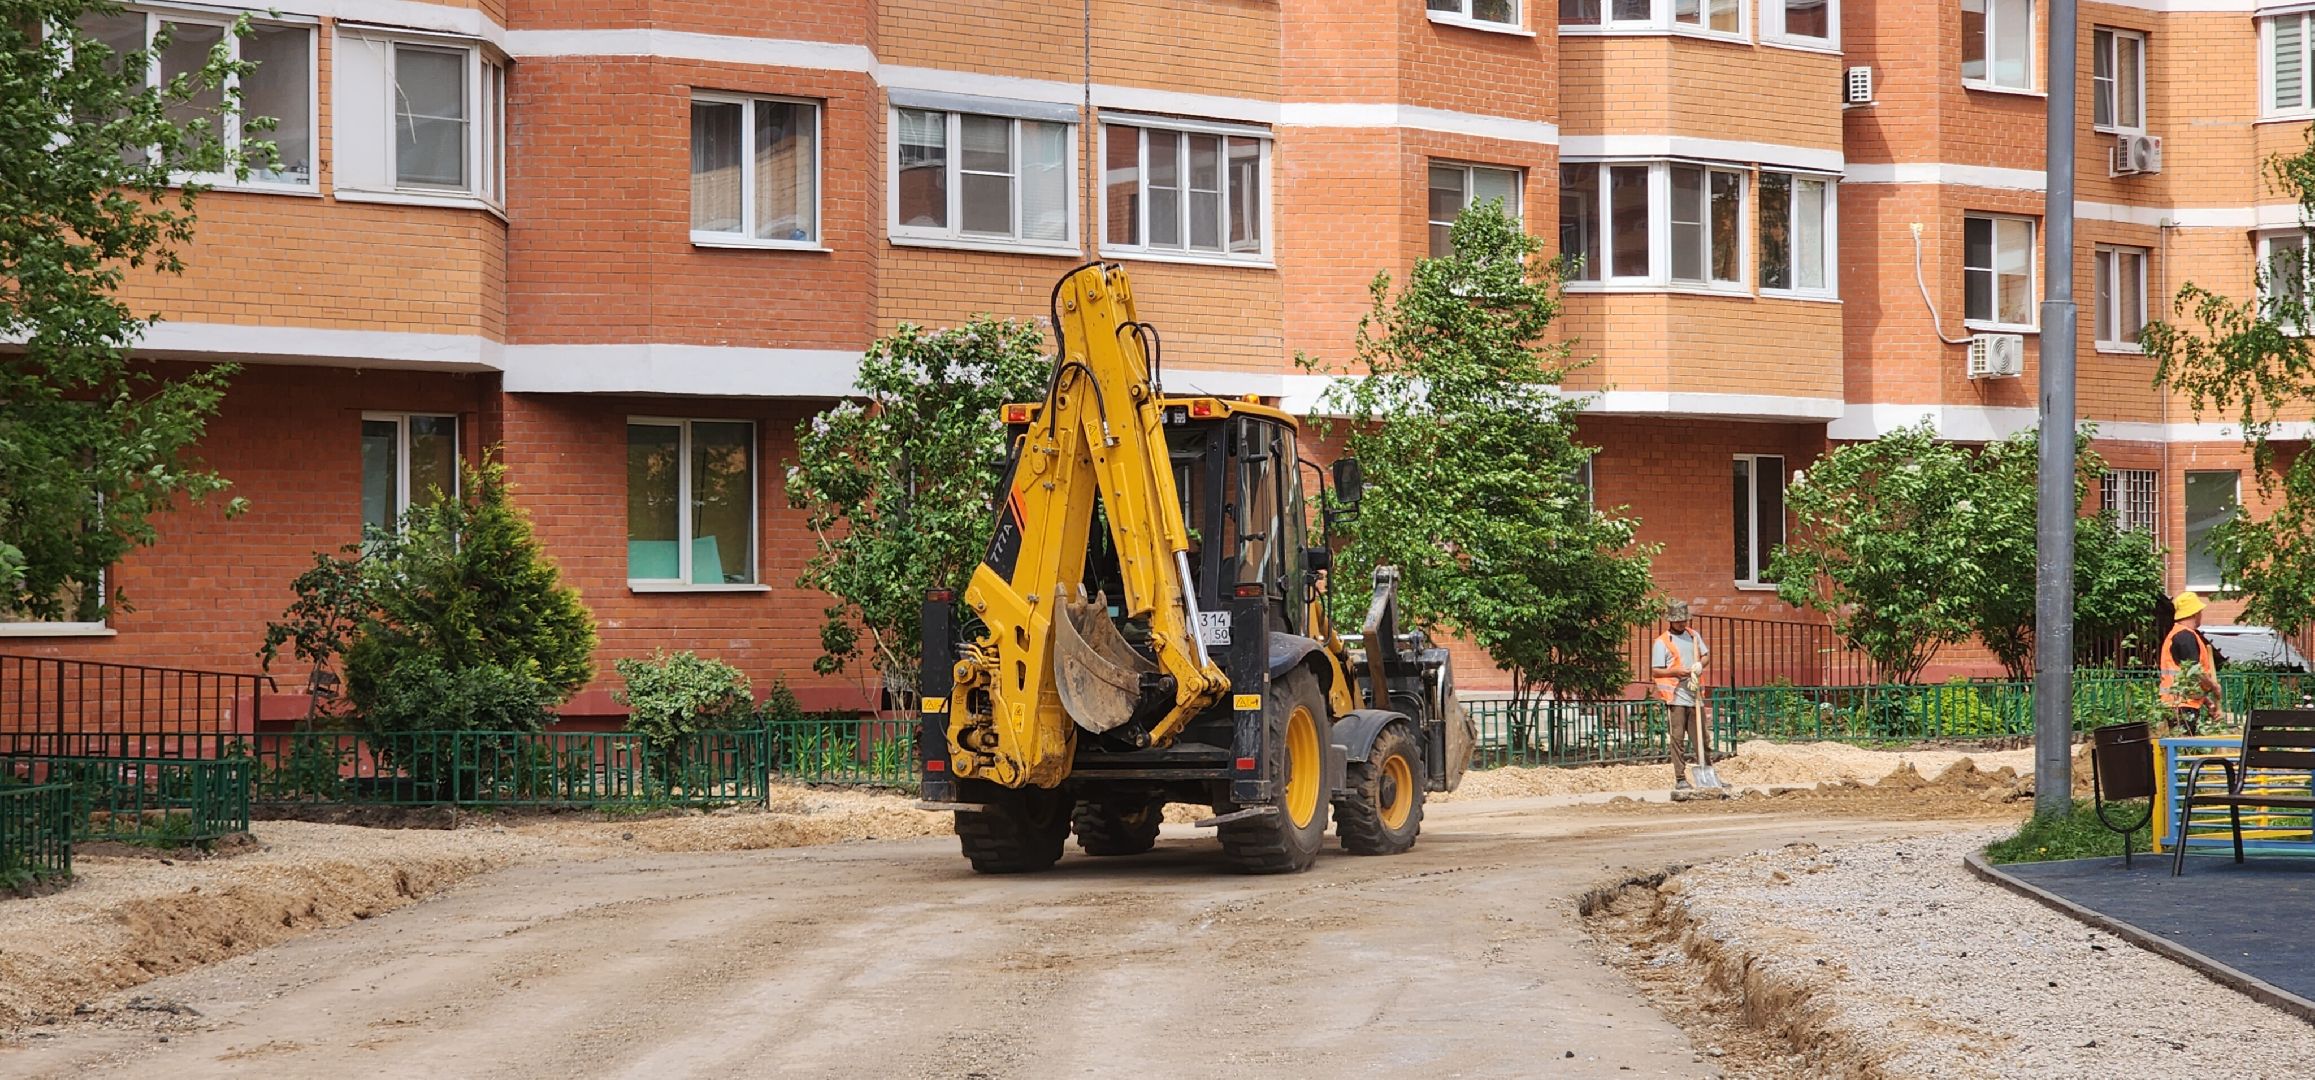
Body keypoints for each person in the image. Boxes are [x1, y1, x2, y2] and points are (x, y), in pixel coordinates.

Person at [1651, 601, 1711, 789]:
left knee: (1702, 738)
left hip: (1695, 696)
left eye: (1683, 620)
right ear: (1670, 621)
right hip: (1676, 697)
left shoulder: (1693, 636)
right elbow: (1656, 671)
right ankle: (1680, 778)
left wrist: (1700, 664)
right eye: (1677, 621)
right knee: (1677, 738)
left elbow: (1706, 655)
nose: (1681, 624)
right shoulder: (1662, 642)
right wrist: (1676, 671)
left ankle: (1707, 774)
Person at [2159, 591, 2223, 736]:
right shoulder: (2185, 636)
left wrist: (2208, 703)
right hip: (2181, 705)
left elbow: (2187, 679)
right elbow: (2196, 672)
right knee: (2183, 751)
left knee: (2183, 749)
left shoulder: (2178, 635)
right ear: (2195, 613)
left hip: (2178, 703)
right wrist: (2214, 687)